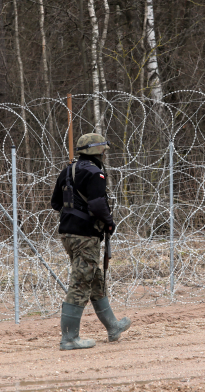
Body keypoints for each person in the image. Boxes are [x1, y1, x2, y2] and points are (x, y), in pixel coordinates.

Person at [51, 133, 132, 350]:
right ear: (97, 152)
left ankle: (113, 326)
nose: (105, 154)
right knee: (80, 283)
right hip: (85, 236)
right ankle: (69, 339)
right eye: (103, 150)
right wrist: (109, 222)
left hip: (68, 234)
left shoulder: (68, 170)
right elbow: (97, 205)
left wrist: (74, 214)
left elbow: (55, 203)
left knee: (94, 278)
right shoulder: (95, 173)